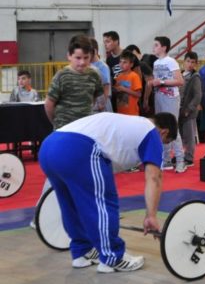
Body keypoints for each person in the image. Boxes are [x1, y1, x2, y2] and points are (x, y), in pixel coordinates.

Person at [38, 111, 178, 273]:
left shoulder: (131, 122)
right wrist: (151, 216)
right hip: (78, 148)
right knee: (103, 202)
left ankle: (82, 251)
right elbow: (154, 178)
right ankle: (113, 257)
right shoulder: (152, 133)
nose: (162, 146)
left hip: (49, 147)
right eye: (165, 142)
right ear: (164, 132)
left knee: (70, 204)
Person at [45, 34, 104, 130]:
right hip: (64, 128)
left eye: (86, 57)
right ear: (69, 56)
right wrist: (56, 123)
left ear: (91, 56)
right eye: (78, 58)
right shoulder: (61, 76)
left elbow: (95, 97)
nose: (82, 62)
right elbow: (49, 104)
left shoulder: (94, 75)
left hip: (85, 128)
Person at [146, 36, 186, 172]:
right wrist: (152, 83)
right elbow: (158, 80)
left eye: (156, 45)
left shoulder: (171, 61)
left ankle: (180, 160)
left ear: (164, 47)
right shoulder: (156, 63)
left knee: (173, 127)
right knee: (161, 127)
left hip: (170, 98)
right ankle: (167, 159)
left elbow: (180, 81)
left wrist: (162, 82)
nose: (154, 47)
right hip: (159, 96)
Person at [179, 51, 202, 167]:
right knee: (181, 134)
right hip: (179, 109)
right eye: (188, 61)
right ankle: (180, 155)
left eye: (193, 62)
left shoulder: (195, 77)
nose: (190, 64)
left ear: (196, 64)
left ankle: (189, 157)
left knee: (189, 135)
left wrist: (189, 108)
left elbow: (198, 95)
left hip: (189, 111)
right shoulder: (180, 75)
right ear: (184, 62)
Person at [114, 50, 142, 116]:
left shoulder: (134, 76)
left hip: (132, 113)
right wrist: (116, 89)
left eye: (125, 62)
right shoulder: (118, 76)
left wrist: (124, 89)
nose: (121, 64)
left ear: (131, 64)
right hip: (120, 112)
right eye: (120, 62)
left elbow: (139, 94)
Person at [89, 38, 113, 113]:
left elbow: (106, 86)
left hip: (101, 102)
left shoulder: (103, 66)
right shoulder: (87, 65)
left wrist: (103, 103)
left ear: (95, 51)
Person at [103, 31, 123, 112]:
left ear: (116, 41)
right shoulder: (109, 59)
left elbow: (138, 75)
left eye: (108, 42)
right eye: (104, 42)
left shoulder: (127, 55)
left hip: (128, 94)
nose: (105, 45)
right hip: (115, 94)